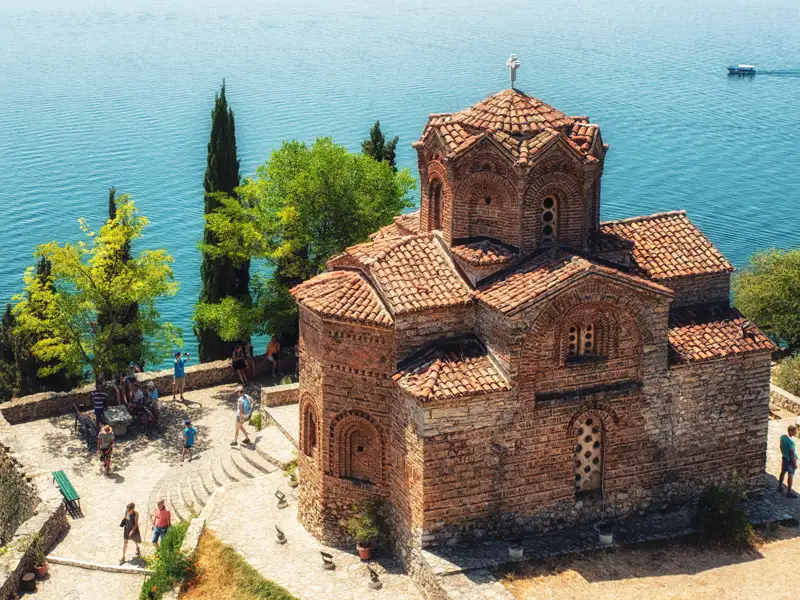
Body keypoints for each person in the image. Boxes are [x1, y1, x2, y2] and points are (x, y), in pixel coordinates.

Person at [779, 425, 798, 498]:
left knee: (783, 472)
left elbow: (781, 446)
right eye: (794, 431)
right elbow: (792, 454)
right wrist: (795, 464)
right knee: (790, 476)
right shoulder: (790, 442)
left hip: (785, 458)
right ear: (790, 431)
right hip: (790, 461)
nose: (796, 433)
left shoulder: (782, 437)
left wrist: (783, 453)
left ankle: (779, 487)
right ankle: (789, 492)